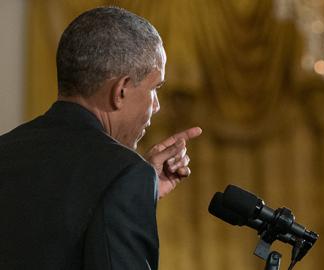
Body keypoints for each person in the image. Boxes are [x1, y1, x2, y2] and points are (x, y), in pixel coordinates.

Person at [0, 6, 201, 270]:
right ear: (121, 90)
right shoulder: (123, 174)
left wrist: (139, 189)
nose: (156, 106)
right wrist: (129, 182)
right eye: (155, 88)